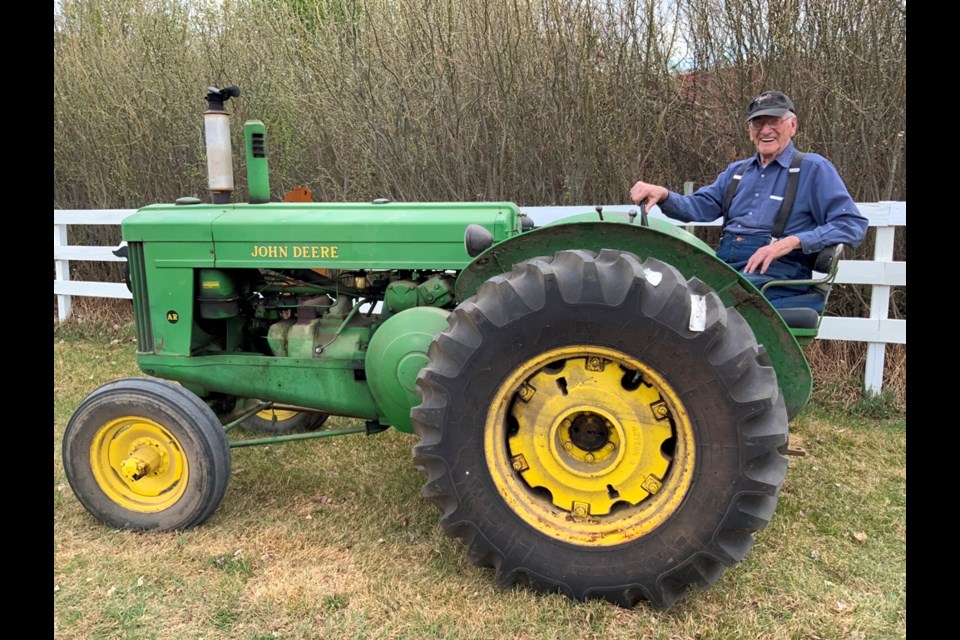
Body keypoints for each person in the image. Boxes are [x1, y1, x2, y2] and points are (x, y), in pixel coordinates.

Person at [629, 90, 868, 307]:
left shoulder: (813, 169)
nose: (766, 130)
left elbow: (851, 225)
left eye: (774, 121)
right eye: (758, 123)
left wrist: (788, 243)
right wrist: (664, 195)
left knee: (708, 302)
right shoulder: (736, 172)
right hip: (726, 266)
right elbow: (697, 207)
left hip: (778, 273)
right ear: (750, 130)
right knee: (662, 289)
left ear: (792, 125)